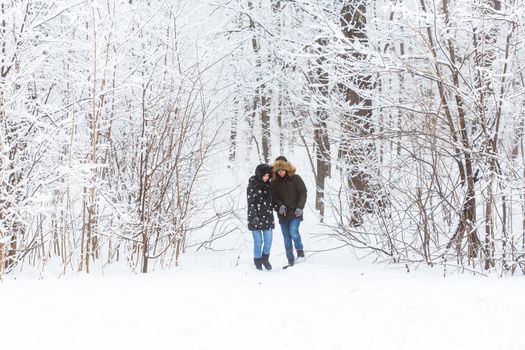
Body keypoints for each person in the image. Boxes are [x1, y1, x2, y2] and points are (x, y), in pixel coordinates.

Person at [271, 156, 307, 266]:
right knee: (287, 239)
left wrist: (300, 207)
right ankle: (290, 260)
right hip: (283, 214)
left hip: (295, 212)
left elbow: (303, 192)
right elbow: (274, 198)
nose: (281, 172)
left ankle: (300, 252)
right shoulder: (274, 183)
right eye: (279, 170)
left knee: (293, 232)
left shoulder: (295, 178)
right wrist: (280, 206)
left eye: (283, 170)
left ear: (287, 168)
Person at [247, 163, 275, 270]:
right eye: (265, 176)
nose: (266, 178)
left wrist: (279, 206)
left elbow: (272, 200)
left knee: (268, 241)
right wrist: (254, 216)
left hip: (267, 217)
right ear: (260, 175)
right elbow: (251, 203)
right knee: (258, 242)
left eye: (268, 176)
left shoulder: (269, 185)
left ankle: (265, 258)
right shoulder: (252, 186)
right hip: (255, 218)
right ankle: (257, 260)